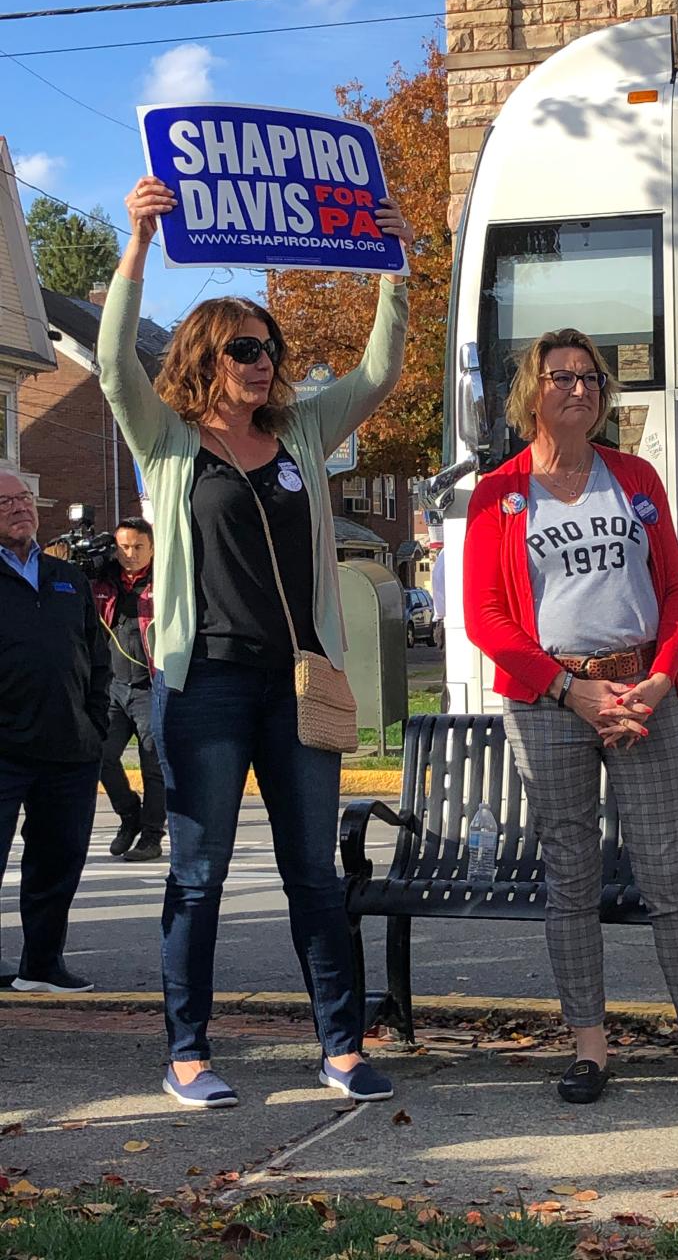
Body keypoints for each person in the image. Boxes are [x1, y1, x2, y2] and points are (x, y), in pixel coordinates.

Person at [98, 175, 412, 1110]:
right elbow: (114, 362)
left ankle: (341, 1048)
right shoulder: (168, 443)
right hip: (203, 690)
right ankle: (188, 1053)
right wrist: (137, 245)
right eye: (244, 349)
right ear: (205, 357)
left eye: (269, 348)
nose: (263, 361)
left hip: (298, 686)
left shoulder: (306, 433)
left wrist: (394, 269)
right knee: (197, 876)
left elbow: (381, 372)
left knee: (313, 873)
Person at [463, 329, 678, 1106]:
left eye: (590, 378)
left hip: (640, 695)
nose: (578, 389)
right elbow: (486, 617)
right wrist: (565, 689)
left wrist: (659, 677)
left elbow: (676, 592)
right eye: (561, 377)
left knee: (667, 877)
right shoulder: (499, 494)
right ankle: (590, 1049)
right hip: (551, 703)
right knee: (571, 877)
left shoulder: (636, 478)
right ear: (532, 391)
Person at [0, 464, 110, 993]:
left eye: (24, 499)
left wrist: (94, 727)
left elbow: (98, 659)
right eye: (6, 503)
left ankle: (42, 965)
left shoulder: (69, 578)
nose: (21, 508)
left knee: (57, 863)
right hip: (3, 751)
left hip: (69, 749)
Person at [93, 516, 166, 862]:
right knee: (100, 755)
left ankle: (152, 836)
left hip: (150, 686)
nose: (130, 554)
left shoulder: (163, 579)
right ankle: (129, 815)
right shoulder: (105, 580)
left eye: (138, 547)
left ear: (152, 547)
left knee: (153, 764)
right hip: (113, 687)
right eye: (123, 547)